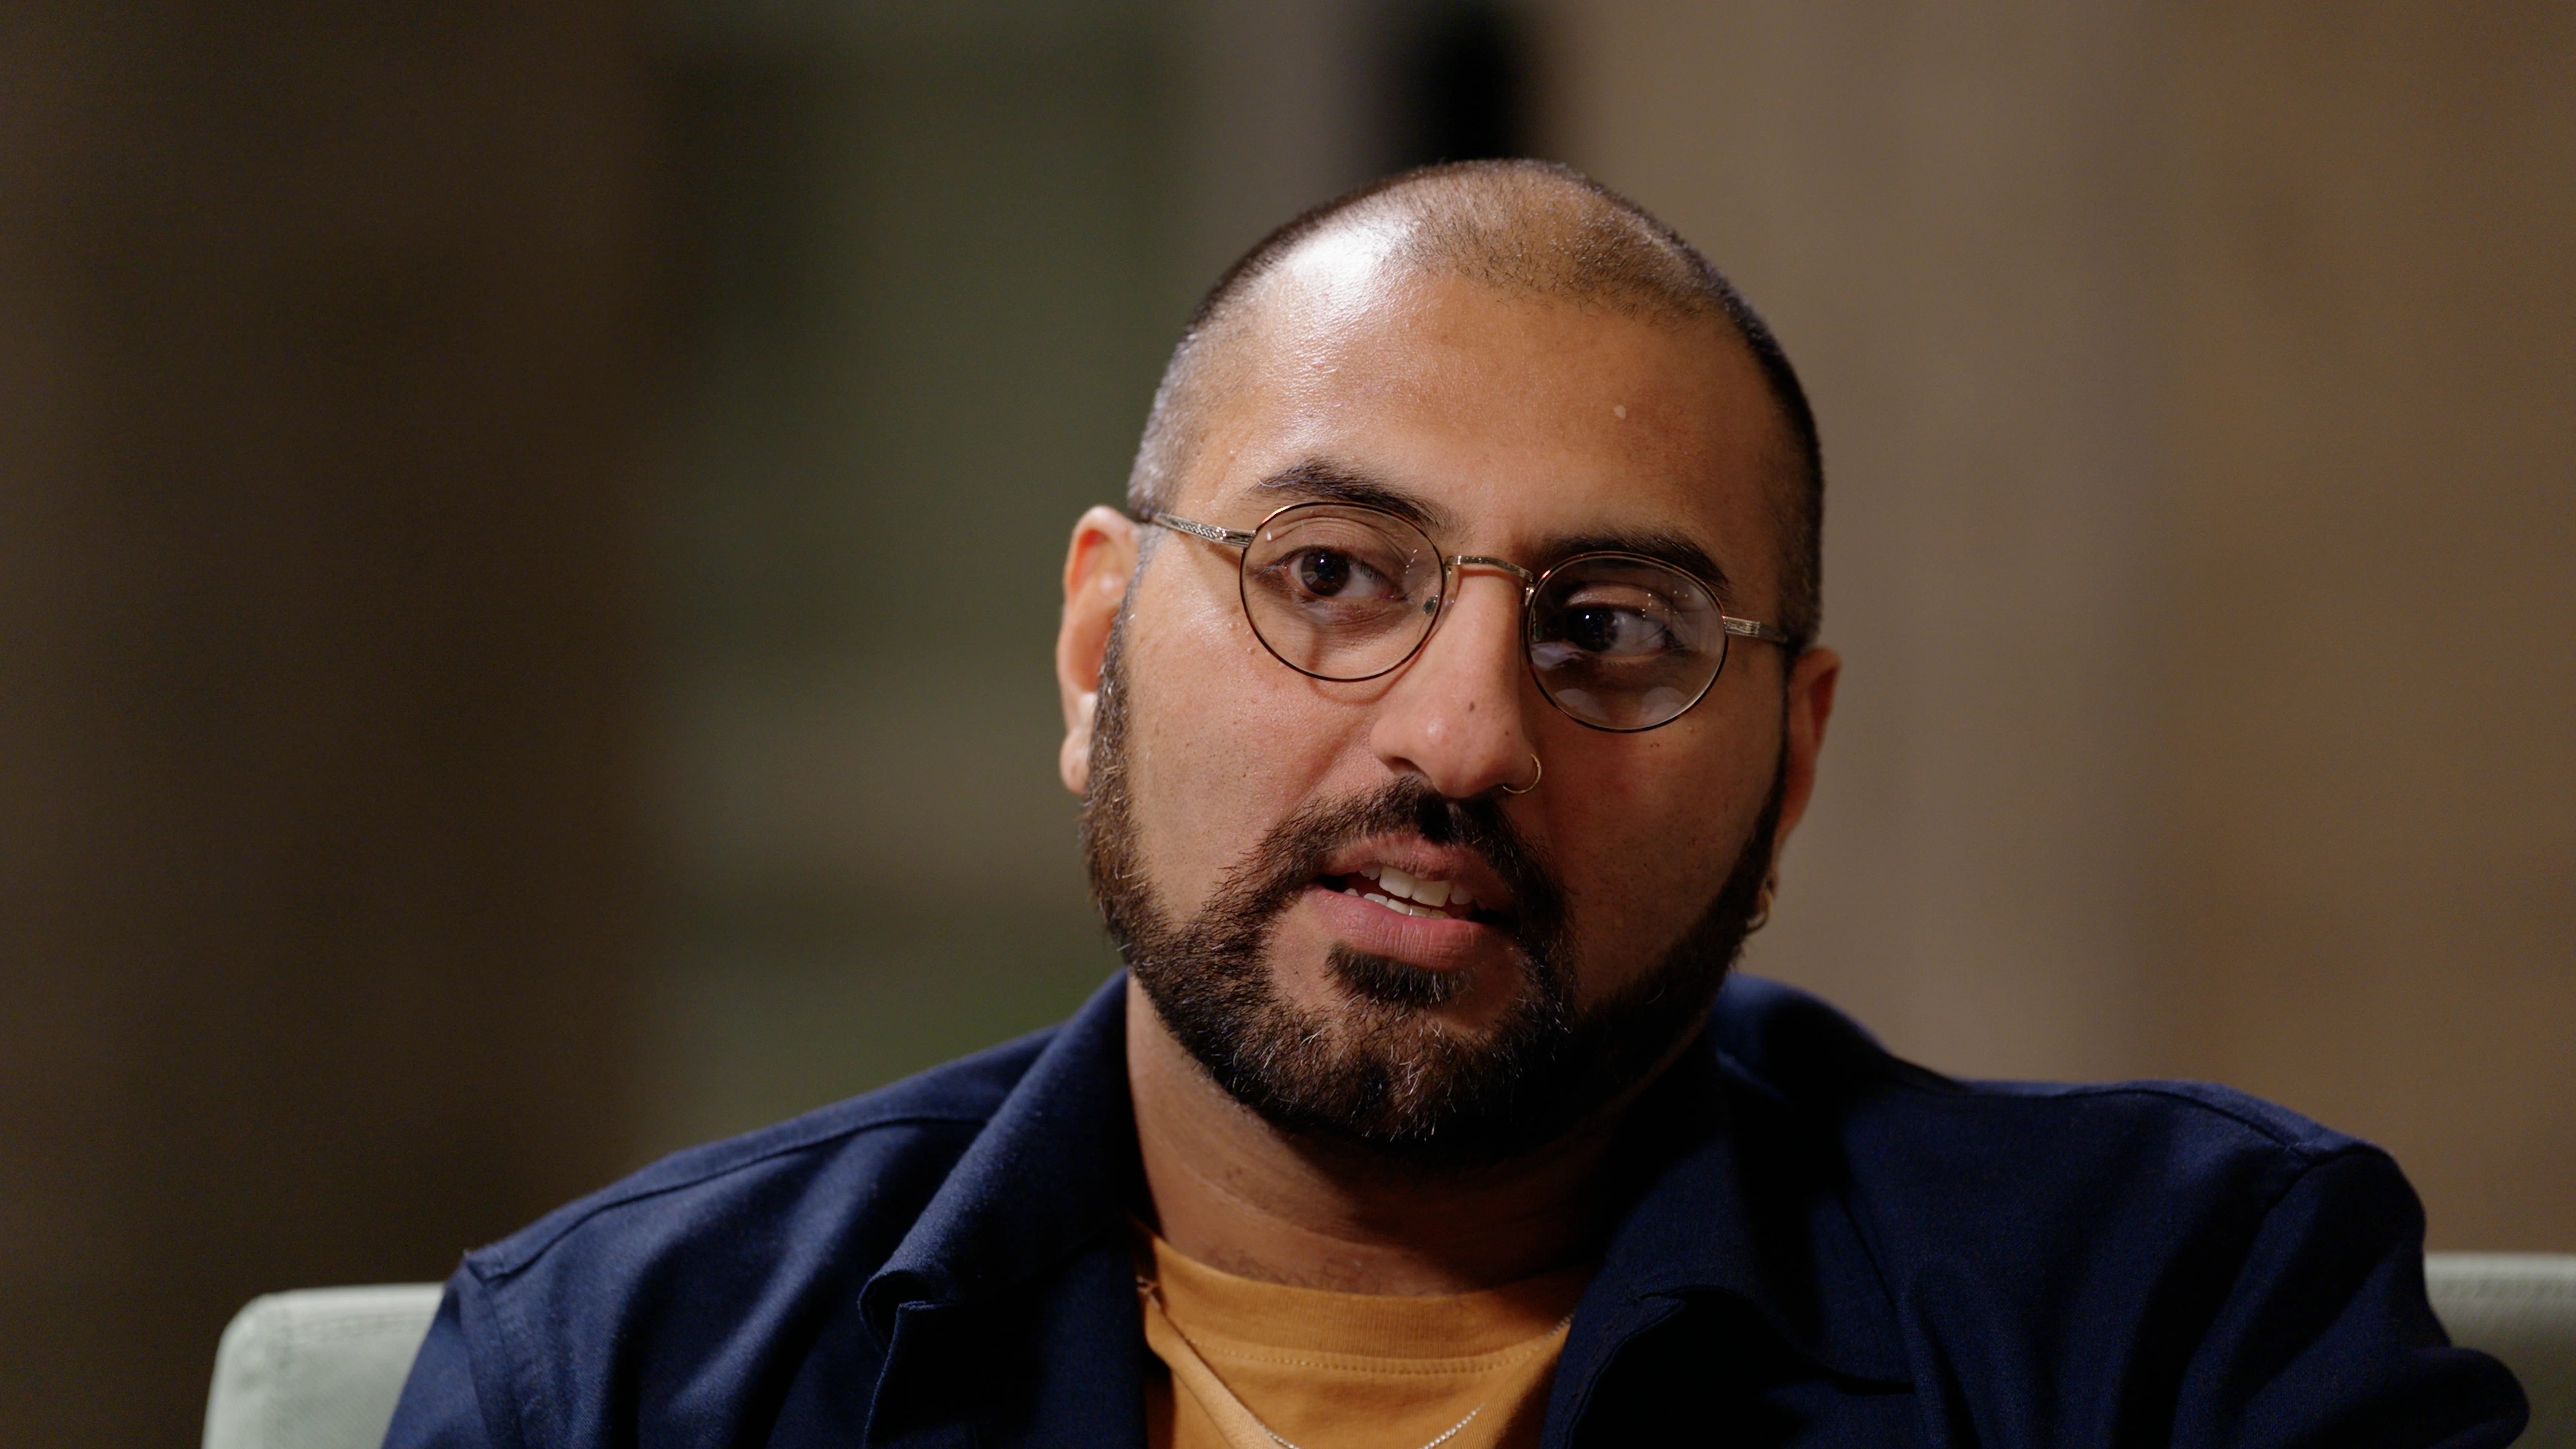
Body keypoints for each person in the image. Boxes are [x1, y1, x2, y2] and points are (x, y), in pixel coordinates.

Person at [383, 161, 2524, 1449]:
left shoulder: (2171, 1332)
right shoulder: (621, 1375)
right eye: (1332, 578)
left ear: (1789, 763)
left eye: (1614, 628)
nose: (1466, 738)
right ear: (1094, 650)